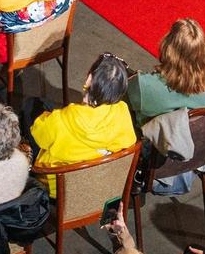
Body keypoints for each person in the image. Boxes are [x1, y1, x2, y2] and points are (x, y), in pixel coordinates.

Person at [27, 52, 136, 180]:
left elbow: (38, 133)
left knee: (30, 106)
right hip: (97, 183)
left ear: (89, 79)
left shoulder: (62, 120)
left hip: (56, 187)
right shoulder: (122, 111)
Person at [126, 19, 205, 125]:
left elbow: (118, 96)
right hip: (192, 140)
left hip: (150, 139)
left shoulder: (145, 85)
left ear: (168, 48)